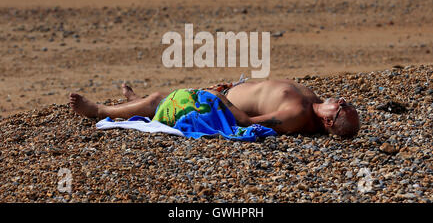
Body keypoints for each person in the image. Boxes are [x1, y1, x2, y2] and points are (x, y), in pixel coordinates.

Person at [69, 79, 360, 137]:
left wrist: (219, 99)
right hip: (226, 93)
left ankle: (99, 110)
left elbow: (246, 121)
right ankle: (134, 102)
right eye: (346, 103)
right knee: (162, 98)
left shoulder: (295, 116)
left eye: (342, 108)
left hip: (218, 107)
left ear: (329, 123)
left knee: (161, 100)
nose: (342, 100)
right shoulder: (314, 102)